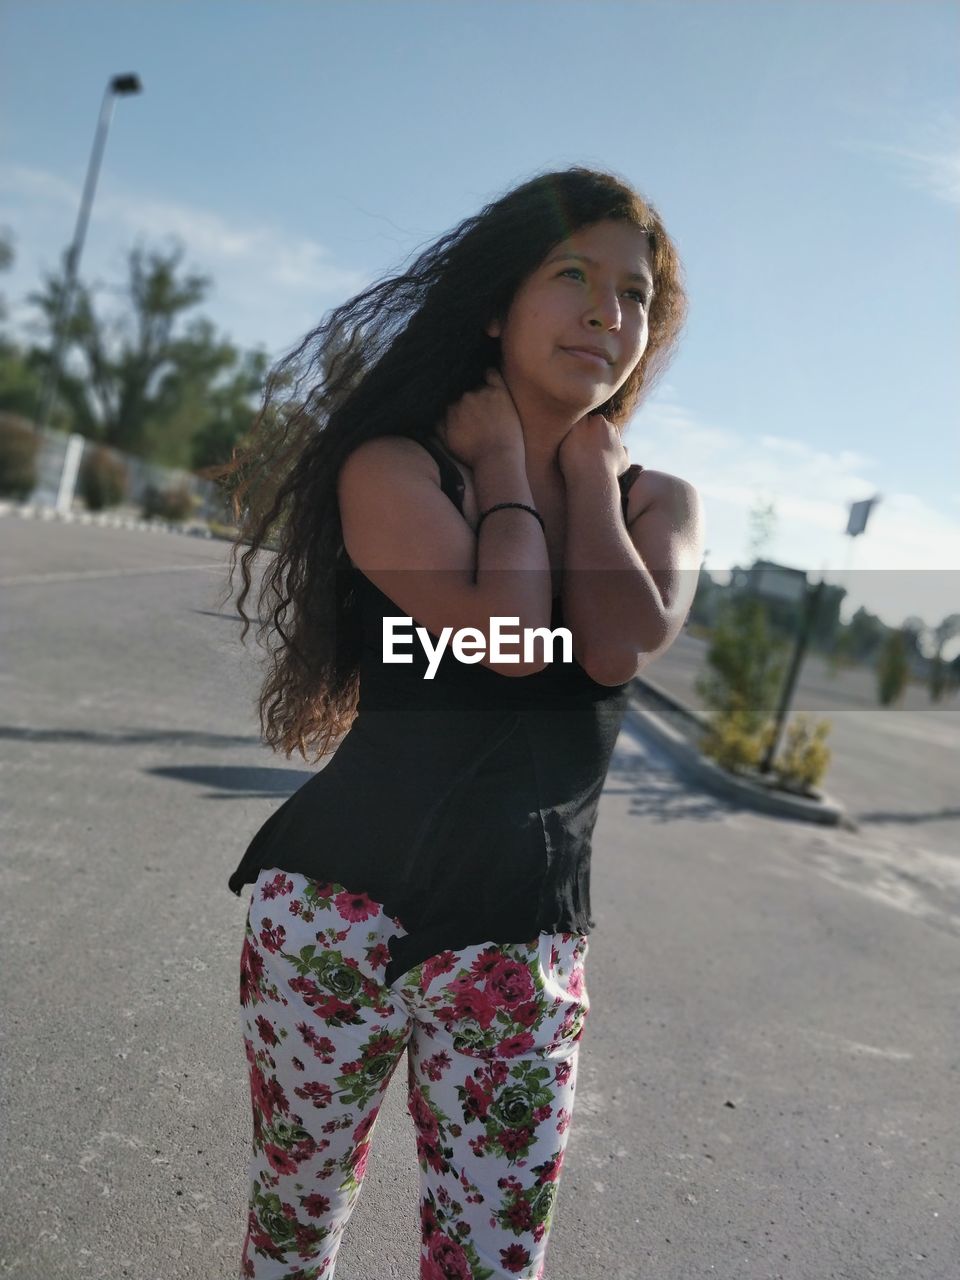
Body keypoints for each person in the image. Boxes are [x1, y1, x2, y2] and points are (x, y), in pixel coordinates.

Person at [213, 165, 704, 1279]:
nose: (605, 311)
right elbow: (508, 636)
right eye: (571, 276)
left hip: (520, 950)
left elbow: (618, 638)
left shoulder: (654, 501)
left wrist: (584, 468)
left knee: (492, 1261)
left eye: (633, 295)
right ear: (495, 304)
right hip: (337, 920)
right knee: (293, 1228)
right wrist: (498, 465)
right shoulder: (400, 467)